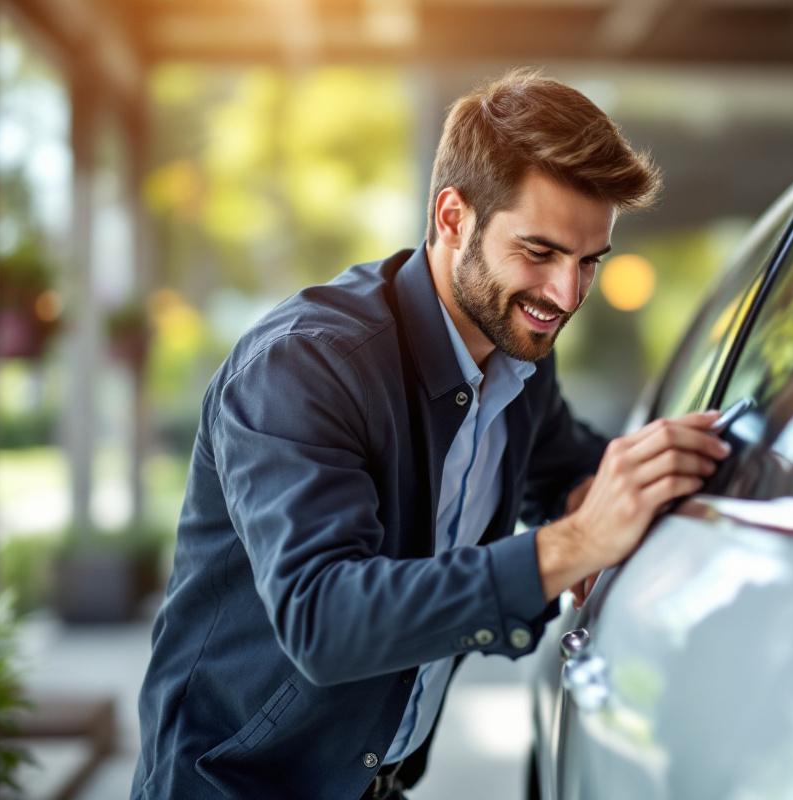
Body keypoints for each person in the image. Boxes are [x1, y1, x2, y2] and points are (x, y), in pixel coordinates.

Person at [131, 68, 730, 800]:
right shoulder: (304, 365)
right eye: (539, 253)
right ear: (452, 218)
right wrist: (576, 544)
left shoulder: (517, 355)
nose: (566, 296)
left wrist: (642, 493)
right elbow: (324, 618)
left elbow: (568, 472)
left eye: (588, 263)